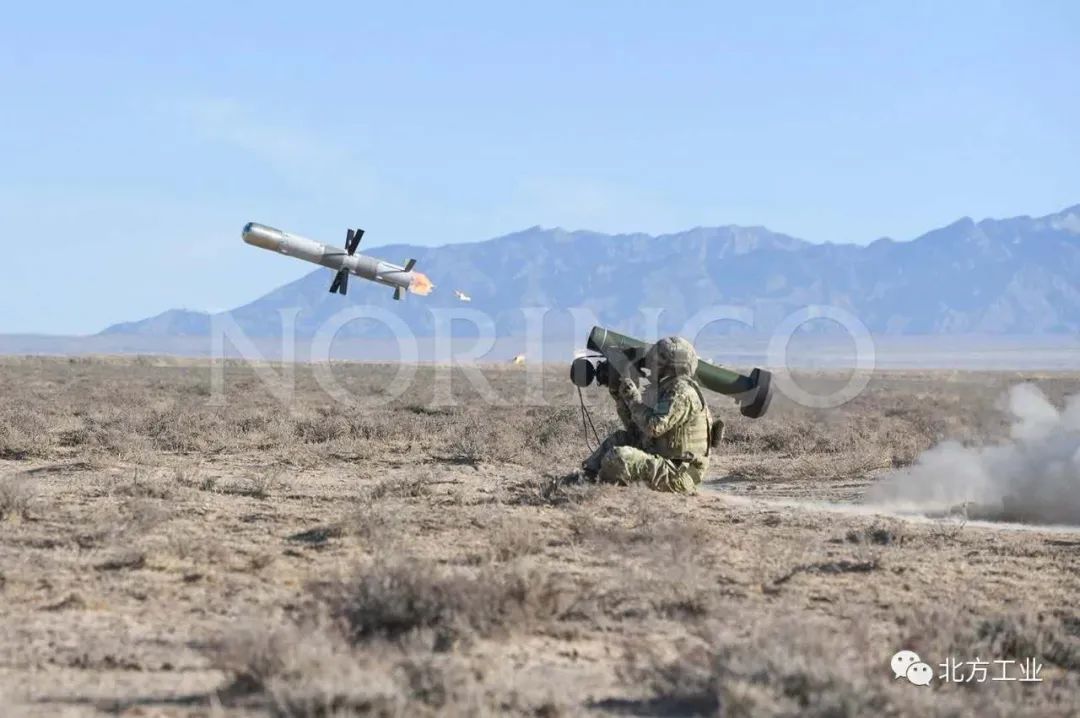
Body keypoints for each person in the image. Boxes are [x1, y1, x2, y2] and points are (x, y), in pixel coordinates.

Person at [581, 336, 714, 494]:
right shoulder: (663, 390)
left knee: (619, 456)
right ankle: (583, 479)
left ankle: (596, 491)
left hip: (678, 473)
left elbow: (653, 427)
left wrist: (634, 399)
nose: (650, 365)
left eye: (657, 360)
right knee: (620, 439)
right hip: (661, 460)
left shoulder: (681, 392)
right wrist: (620, 395)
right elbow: (636, 429)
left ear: (671, 365)